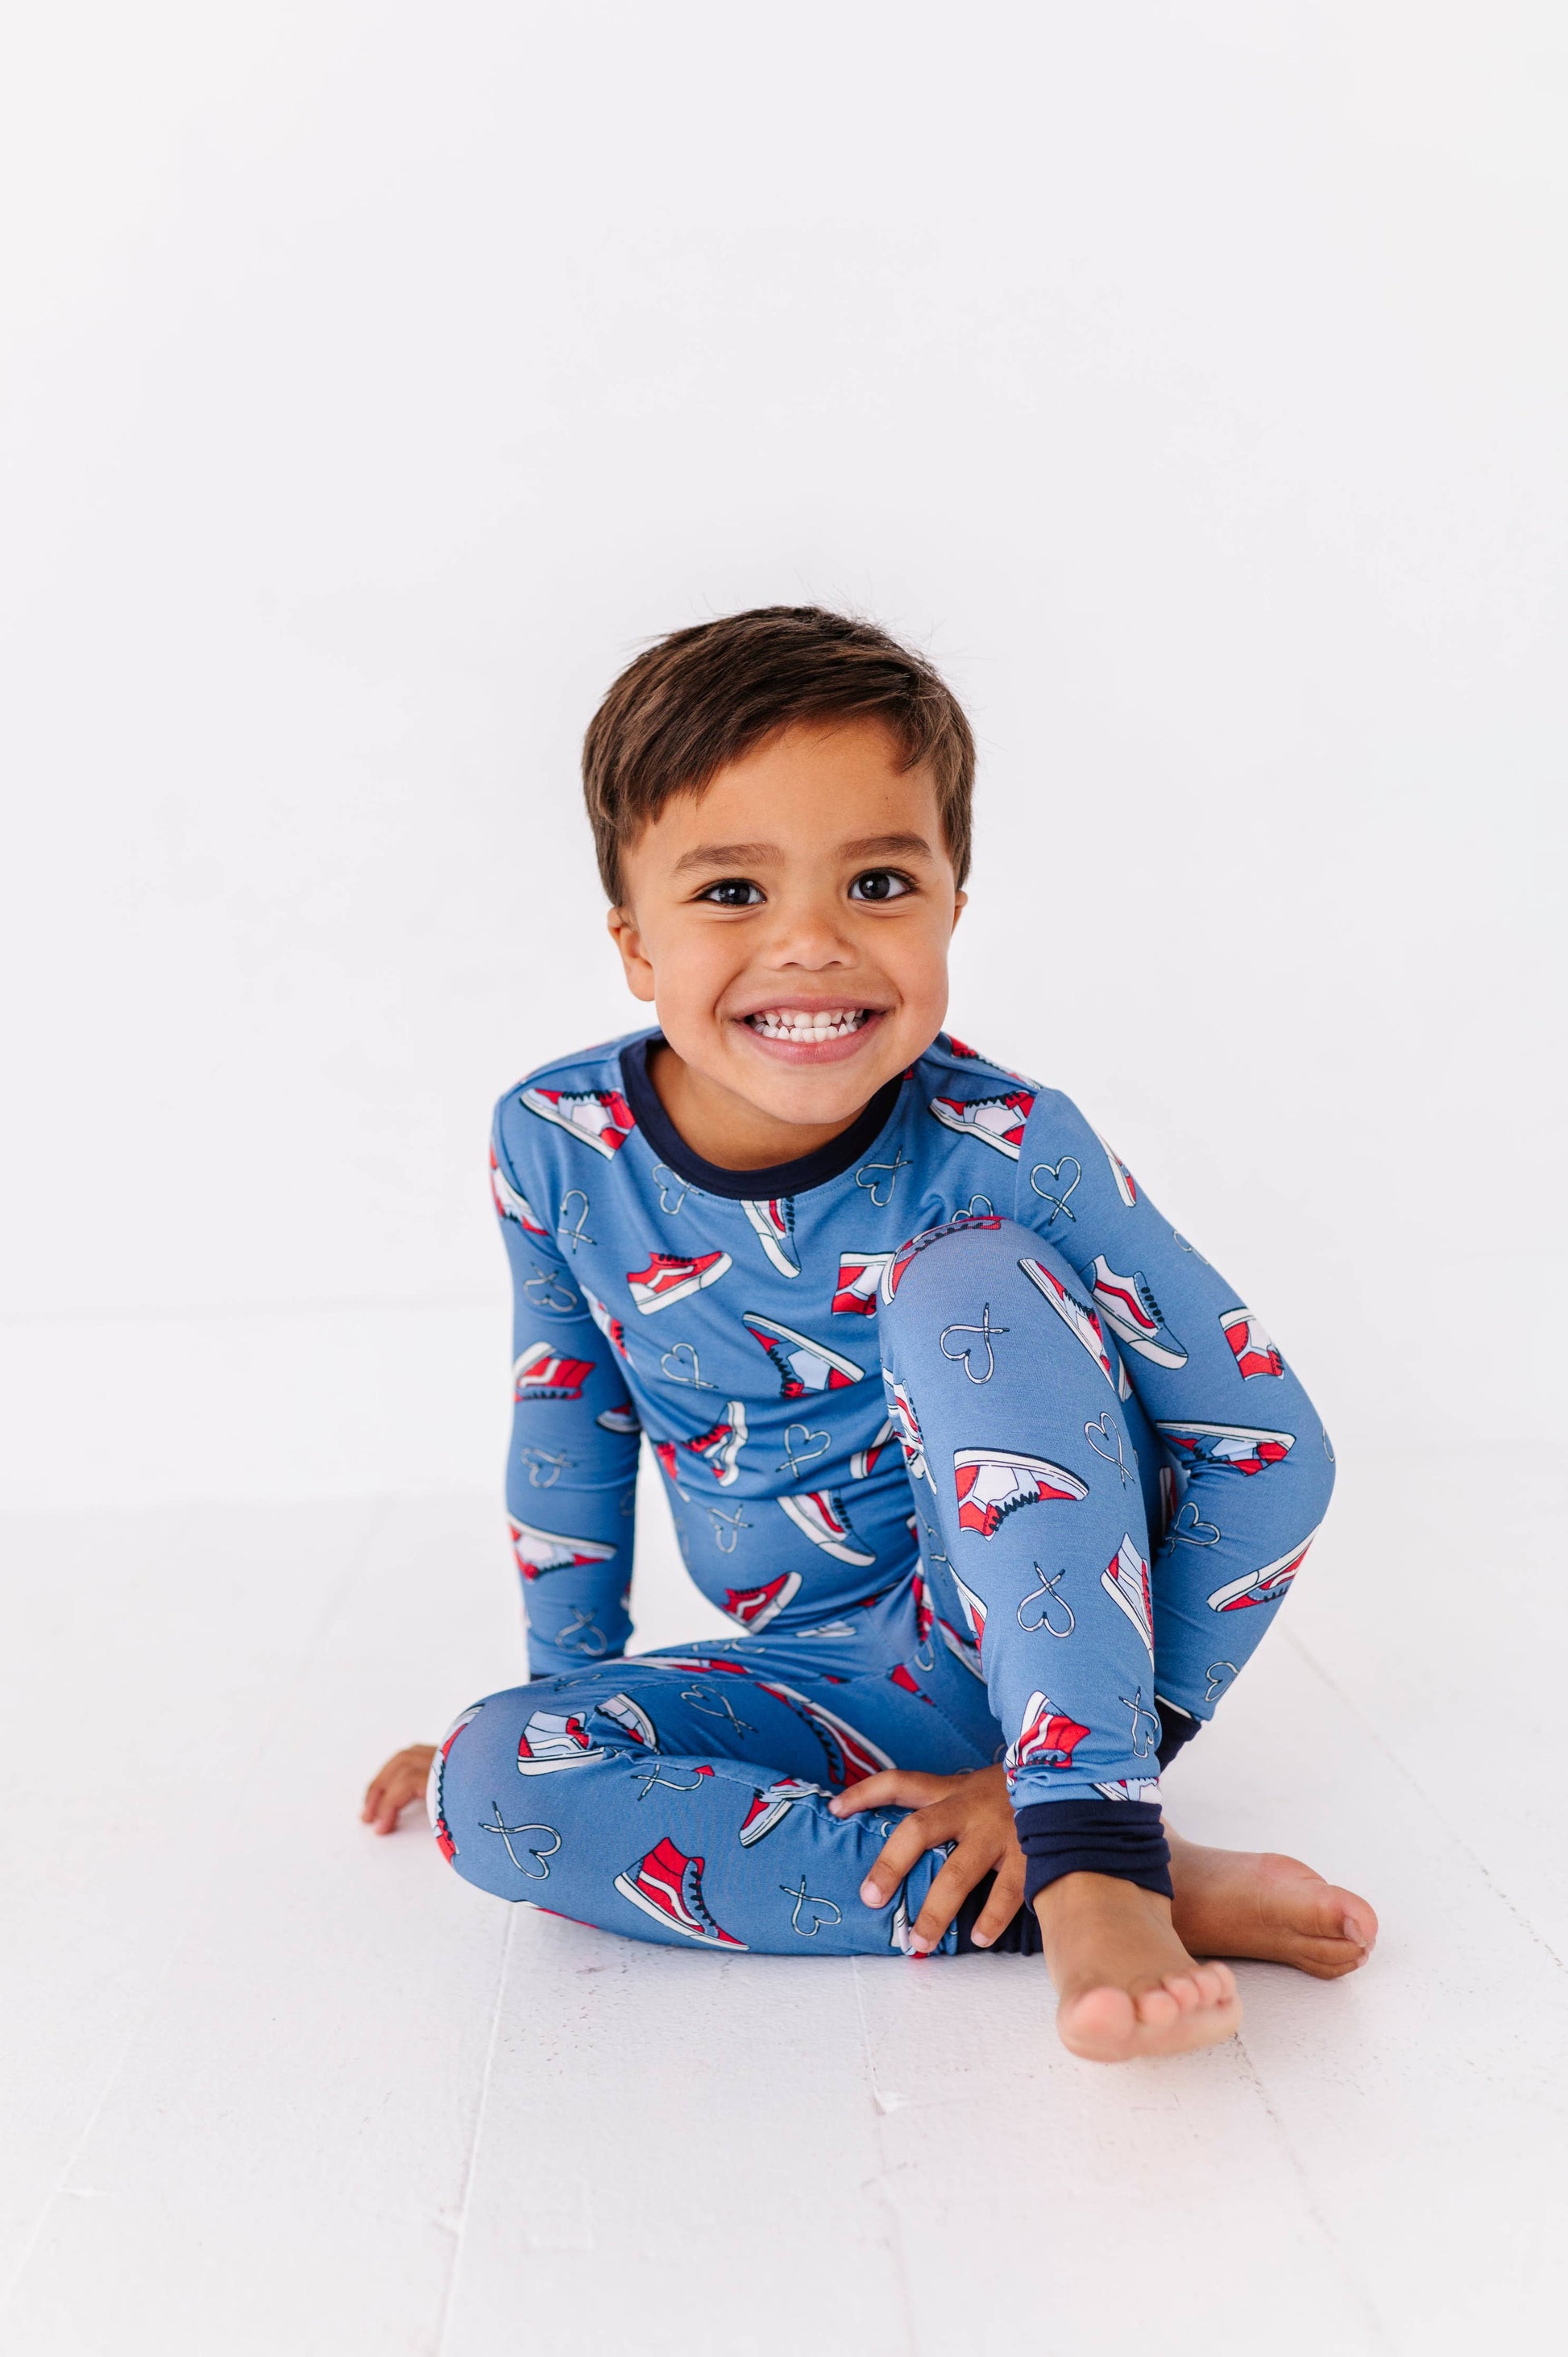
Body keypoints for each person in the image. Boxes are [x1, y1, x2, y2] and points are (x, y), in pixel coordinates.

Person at [363, 606, 1376, 2063]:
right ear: (633, 942)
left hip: (1045, 1641)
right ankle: (1066, 1889)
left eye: (878, 882)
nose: (810, 943)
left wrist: (1109, 1757)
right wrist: (557, 1694)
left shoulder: (1007, 1145)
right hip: (826, 1677)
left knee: (963, 1280)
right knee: (493, 1784)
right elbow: (566, 1422)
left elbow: (1263, 1448)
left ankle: (1091, 1848)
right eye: (729, 890)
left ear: (952, 906)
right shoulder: (556, 1140)